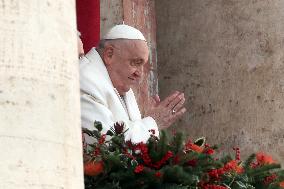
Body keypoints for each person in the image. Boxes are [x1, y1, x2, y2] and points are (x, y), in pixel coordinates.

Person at [80, 24, 186, 143]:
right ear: (109, 54)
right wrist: (153, 121)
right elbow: (108, 144)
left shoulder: (119, 82)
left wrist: (146, 120)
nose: (139, 74)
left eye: (143, 65)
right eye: (135, 62)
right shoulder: (85, 80)